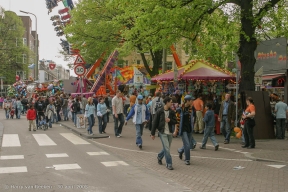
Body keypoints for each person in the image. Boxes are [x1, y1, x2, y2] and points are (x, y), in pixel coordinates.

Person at [151, 97, 177, 170]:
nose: (172, 104)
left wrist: (170, 120)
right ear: (167, 102)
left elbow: (175, 121)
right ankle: (169, 164)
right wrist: (152, 133)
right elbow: (155, 122)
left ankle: (159, 156)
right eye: (171, 102)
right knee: (167, 148)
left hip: (170, 132)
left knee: (166, 148)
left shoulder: (172, 112)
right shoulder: (159, 111)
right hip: (162, 132)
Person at [176, 95, 196, 165]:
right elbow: (177, 119)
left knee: (187, 144)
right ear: (187, 101)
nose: (192, 101)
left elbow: (194, 117)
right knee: (187, 144)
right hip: (183, 129)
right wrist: (176, 130)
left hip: (189, 128)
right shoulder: (181, 108)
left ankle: (180, 150)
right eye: (191, 100)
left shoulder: (192, 108)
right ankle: (187, 159)